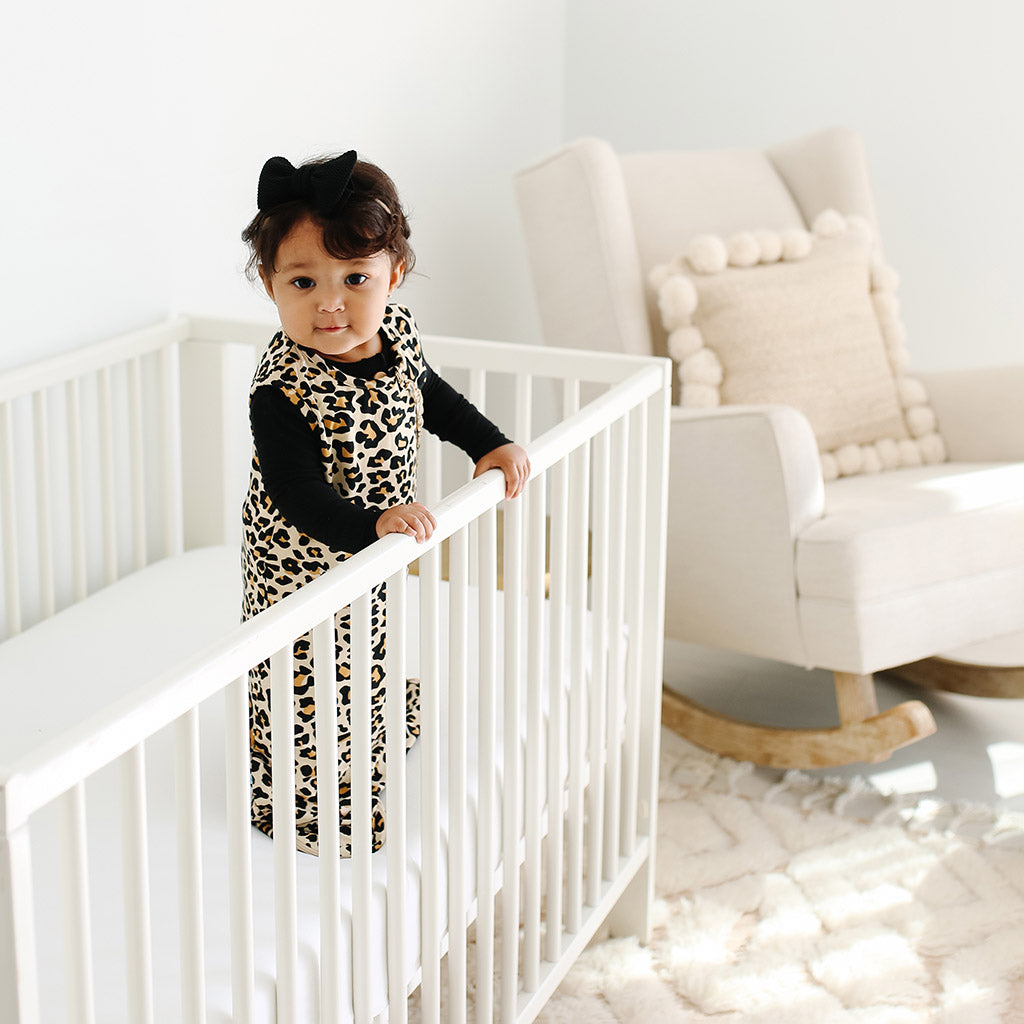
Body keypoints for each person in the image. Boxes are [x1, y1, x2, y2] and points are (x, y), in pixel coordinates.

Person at [240, 150, 529, 855]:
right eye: (303, 281)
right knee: (307, 685)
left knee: (368, 650)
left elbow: (432, 398)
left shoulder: (396, 335)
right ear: (269, 284)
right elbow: (296, 495)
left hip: (373, 551)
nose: (330, 302)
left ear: (393, 276)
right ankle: (311, 810)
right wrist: (370, 525)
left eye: (355, 279)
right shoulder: (281, 387)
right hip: (300, 567)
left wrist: (488, 445)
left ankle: (379, 727)